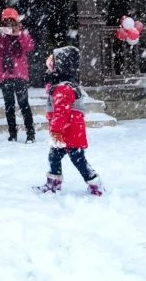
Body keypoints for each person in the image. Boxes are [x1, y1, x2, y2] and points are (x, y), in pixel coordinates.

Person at [35, 46, 103, 196]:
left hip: (68, 132)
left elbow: (61, 112)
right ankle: (53, 183)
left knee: (77, 159)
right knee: (55, 156)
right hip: (66, 132)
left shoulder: (63, 88)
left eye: (51, 67)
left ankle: (94, 183)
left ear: (60, 68)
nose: (48, 71)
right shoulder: (63, 86)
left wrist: (56, 131)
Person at [0, 7, 36, 143]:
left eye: (11, 21)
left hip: (19, 74)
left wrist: (19, 34)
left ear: (16, 21)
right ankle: (12, 134)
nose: (9, 24)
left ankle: (30, 134)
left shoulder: (22, 32)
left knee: (24, 105)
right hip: (5, 75)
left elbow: (29, 47)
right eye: (6, 21)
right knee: (9, 106)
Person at [17, 0, 58, 85]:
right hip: (33, 24)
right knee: (32, 52)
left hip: (41, 23)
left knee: (41, 52)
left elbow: (51, 3)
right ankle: (34, 78)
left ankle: (40, 78)